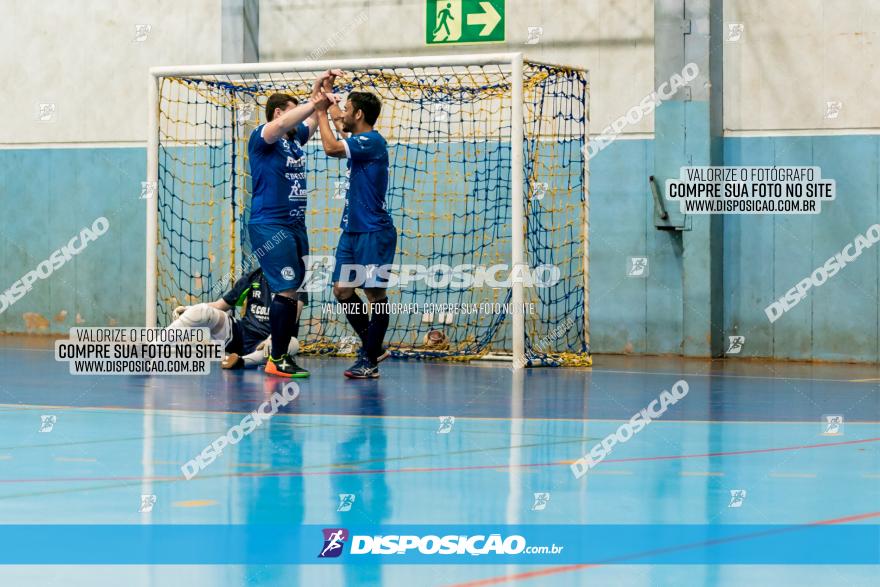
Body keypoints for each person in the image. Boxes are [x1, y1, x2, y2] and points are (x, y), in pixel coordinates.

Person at [246, 74, 337, 377]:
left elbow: (309, 121)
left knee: (295, 291)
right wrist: (312, 102)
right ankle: (277, 359)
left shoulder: (293, 140)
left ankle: (281, 355)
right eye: (292, 111)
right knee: (285, 289)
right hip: (270, 226)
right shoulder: (264, 135)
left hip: (296, 225)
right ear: (278, 113)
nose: (298, 118)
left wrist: (321, 93)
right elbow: (289, 122)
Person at [314, 76, 396, 379]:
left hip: (374, 231)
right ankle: (374, 348)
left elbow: (331, 147)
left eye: (347, 109)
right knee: (342, 290)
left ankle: (369, 359)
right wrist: (327, 94)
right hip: (351, 230)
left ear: (359, 114)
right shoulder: (359, 139)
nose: (343, 113)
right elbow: (340, 124)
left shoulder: (372, 141)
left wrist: (320, 112)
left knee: (375, 294)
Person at [167, 267, 305, 370]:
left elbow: (292, 318)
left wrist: (273, 338)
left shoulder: (296, 282)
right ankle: (154, 347)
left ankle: (241, 361)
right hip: (241, 337)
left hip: (270, 343)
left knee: (292, 343)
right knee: (203, 311)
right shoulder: (254, 276)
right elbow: (221, 305)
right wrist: (190, 309)